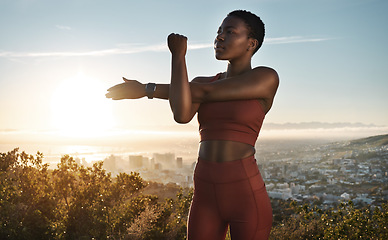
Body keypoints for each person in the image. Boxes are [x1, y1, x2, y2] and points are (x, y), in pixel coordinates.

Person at [106, 10, 279, 240]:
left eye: (230, 32)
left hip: (245, 193)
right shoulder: (200, 82)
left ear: (251, 43)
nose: (219, 37)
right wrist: (177, 57)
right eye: (219, 31)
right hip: (205, 192)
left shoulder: (266, 78)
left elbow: (203, 93)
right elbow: (181, 113)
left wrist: (145, 89)